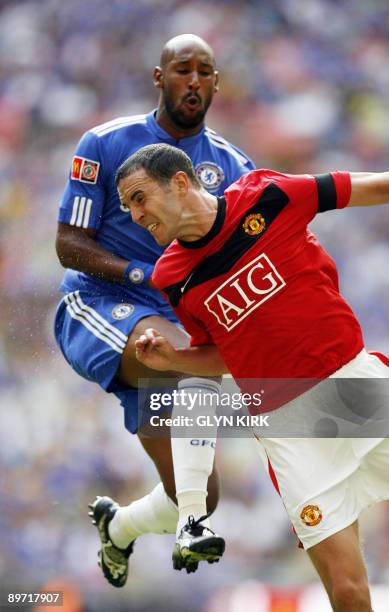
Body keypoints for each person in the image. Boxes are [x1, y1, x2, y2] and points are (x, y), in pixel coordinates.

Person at [115, 142, 389, 612]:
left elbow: (376, 185)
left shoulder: (268, 196)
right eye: (126, 207)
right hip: (287, 427)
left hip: (354, 387)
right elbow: (228, 354)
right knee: (346, 592)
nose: (135, 215)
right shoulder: (172, 276)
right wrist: (173, 359)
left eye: (139, 198)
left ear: (180, 182)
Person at [54, 34, 255, 585]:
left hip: (171, 327)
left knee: (200, 492)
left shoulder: (236, 167)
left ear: (216, 83)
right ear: (159, 78)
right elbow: (69, 243)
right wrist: (146, 273)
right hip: (99, 303)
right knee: (183, 353)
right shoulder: (105, 141)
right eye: (182, 69)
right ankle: (189, 525)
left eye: (205, 71)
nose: (194, 80)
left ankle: (119, 529)